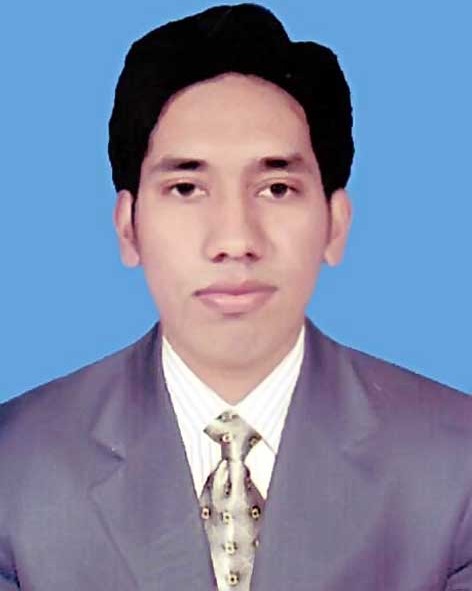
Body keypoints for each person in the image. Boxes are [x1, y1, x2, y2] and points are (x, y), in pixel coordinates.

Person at [1, 3, 471, 590]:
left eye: (276, 188)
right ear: (128, 227)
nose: (234, 241)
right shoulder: (15, 464)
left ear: (335, 223)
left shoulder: (457, 463)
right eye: (186, 188)